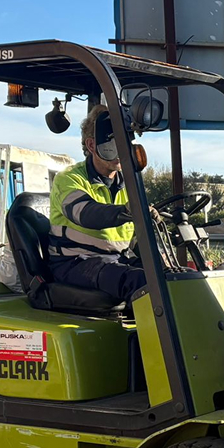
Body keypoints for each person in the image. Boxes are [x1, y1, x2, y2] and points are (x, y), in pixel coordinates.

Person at [47, 105, 148, 302]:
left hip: (115, 258)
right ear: (92, 145)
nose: (122, 150)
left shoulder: (130, 182)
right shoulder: (68, 179)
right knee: (140, 281)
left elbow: (136, 236)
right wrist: (127, 211)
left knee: (172, 277)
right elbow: (85, 213)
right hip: (74, 262)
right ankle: (149, 333)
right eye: (114, 142)